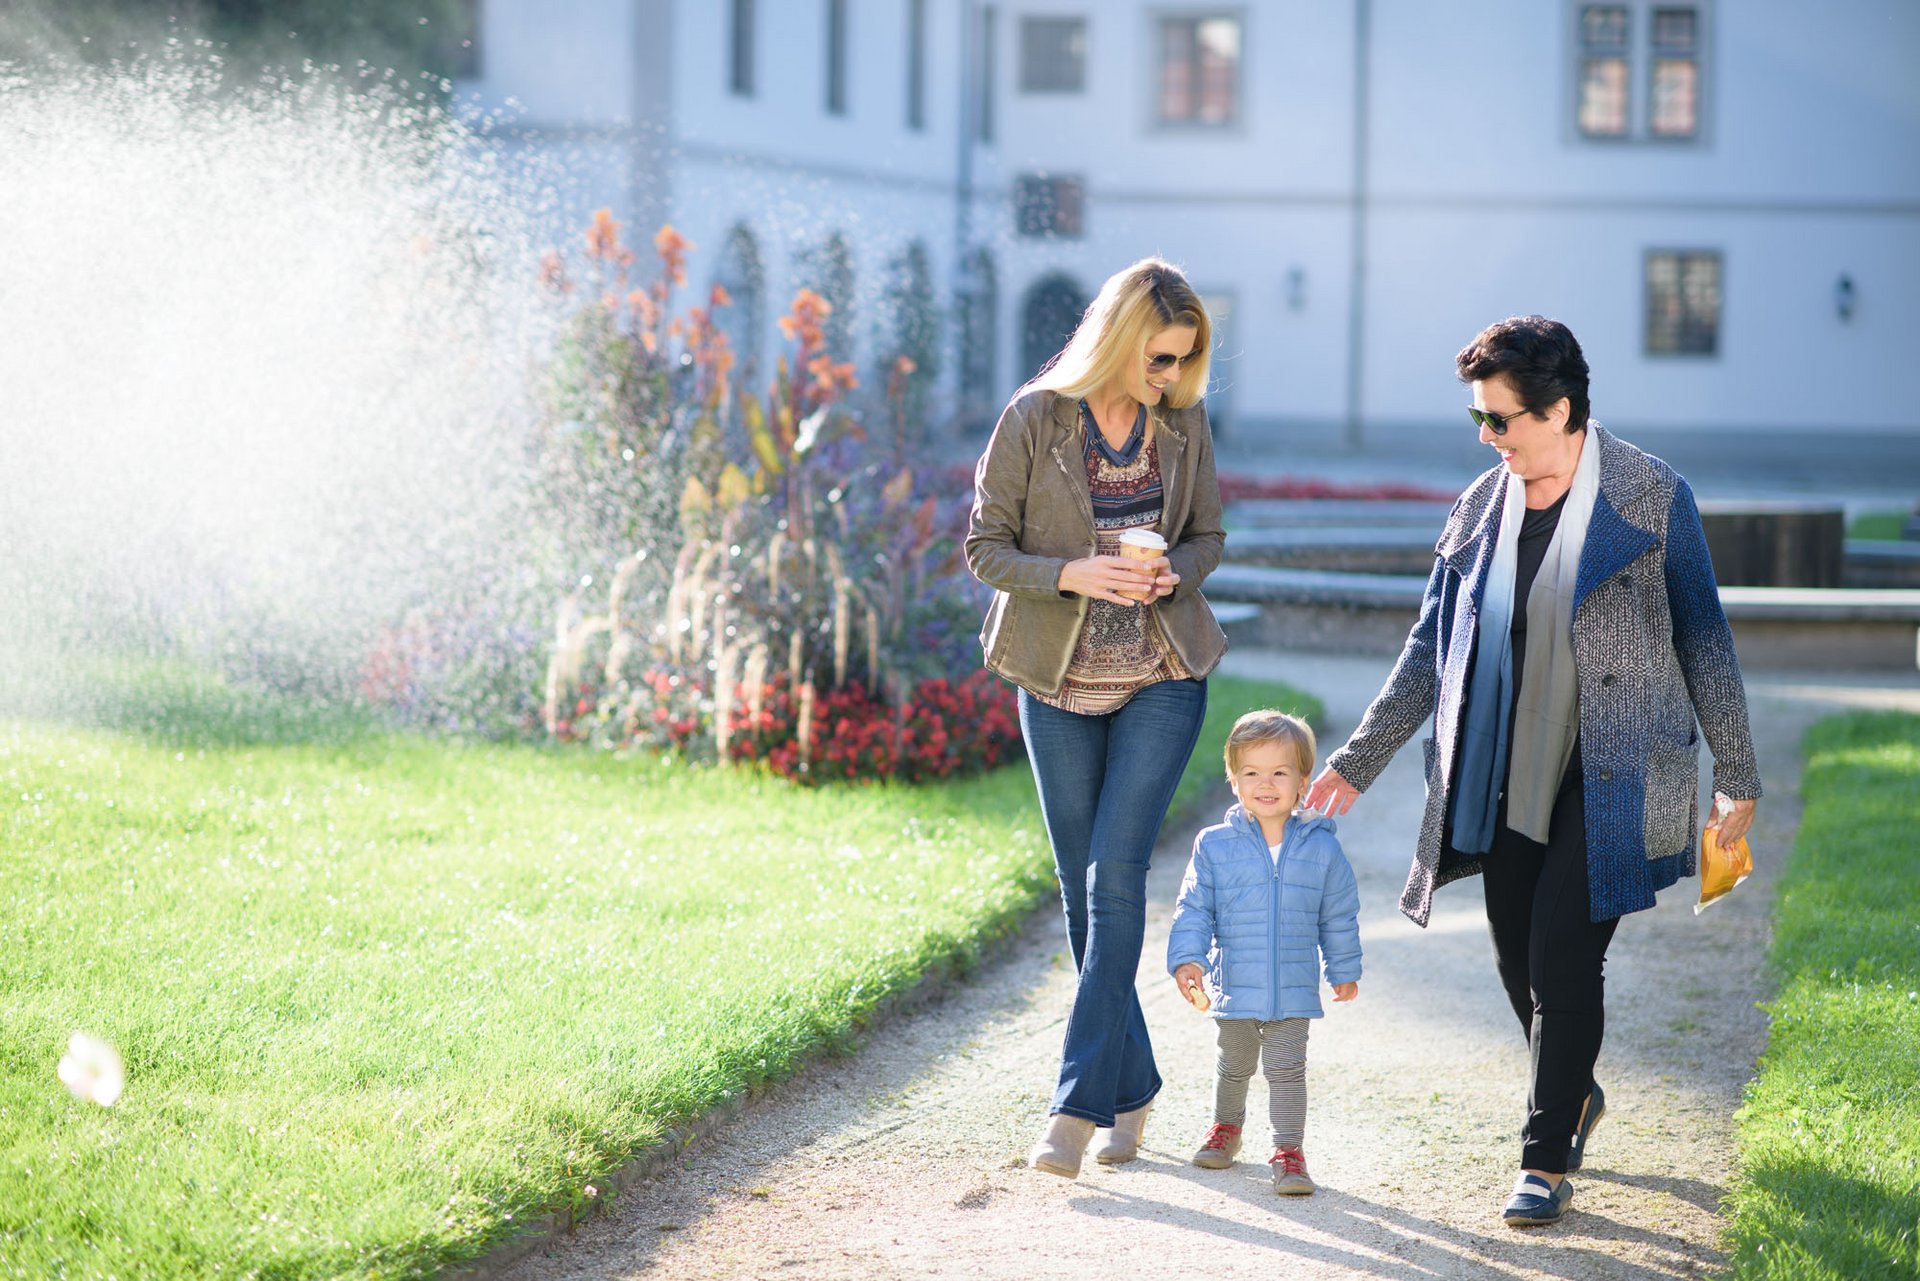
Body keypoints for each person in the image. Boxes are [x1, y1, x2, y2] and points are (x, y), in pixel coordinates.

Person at [1303, 315, 1761, 1227]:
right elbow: (1429, 647)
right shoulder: (1481, 508)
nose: (1487, 436)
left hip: (1620, 766)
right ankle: (1576, 1090)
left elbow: (1705, 635)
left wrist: (1737, 770)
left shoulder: (1652, 495)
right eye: (1479, 417)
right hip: (1506, 763)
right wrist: (1359, 757)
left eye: (1500, 419)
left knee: (1563, 951)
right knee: (1517, 950)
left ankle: (1543, 1158)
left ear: (1560, 412)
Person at [965, 258, 1228, 1179]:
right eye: (1159, 358)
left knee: (1115, 879)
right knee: (1081, 897)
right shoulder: (1035, 418)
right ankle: (1135, 1084)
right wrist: (1073, 573)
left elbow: (1208, 537)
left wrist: (1172, 572)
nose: (1172, 376)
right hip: (1054, 682)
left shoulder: (1183, 423)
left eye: (1183, 360)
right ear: (1117, 341)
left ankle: (1073, 1109)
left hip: (1163, 673)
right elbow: (985, 548)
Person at [1168, 710, 1361, 1196]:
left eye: (1279, 772)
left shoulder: (1322, 850)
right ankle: (1226, 1129)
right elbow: (1194, 908)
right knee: (1234, 1065)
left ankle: (1288, 1153)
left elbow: (1338, 915)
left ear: (1302, 783)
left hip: (1293, 988)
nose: (1266, 783)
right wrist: (1188, 958)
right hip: (1234, 984)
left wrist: (1343, 968)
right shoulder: (1214, 846)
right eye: (1251, 772)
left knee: (1287, 1071)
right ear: (1233, 781)